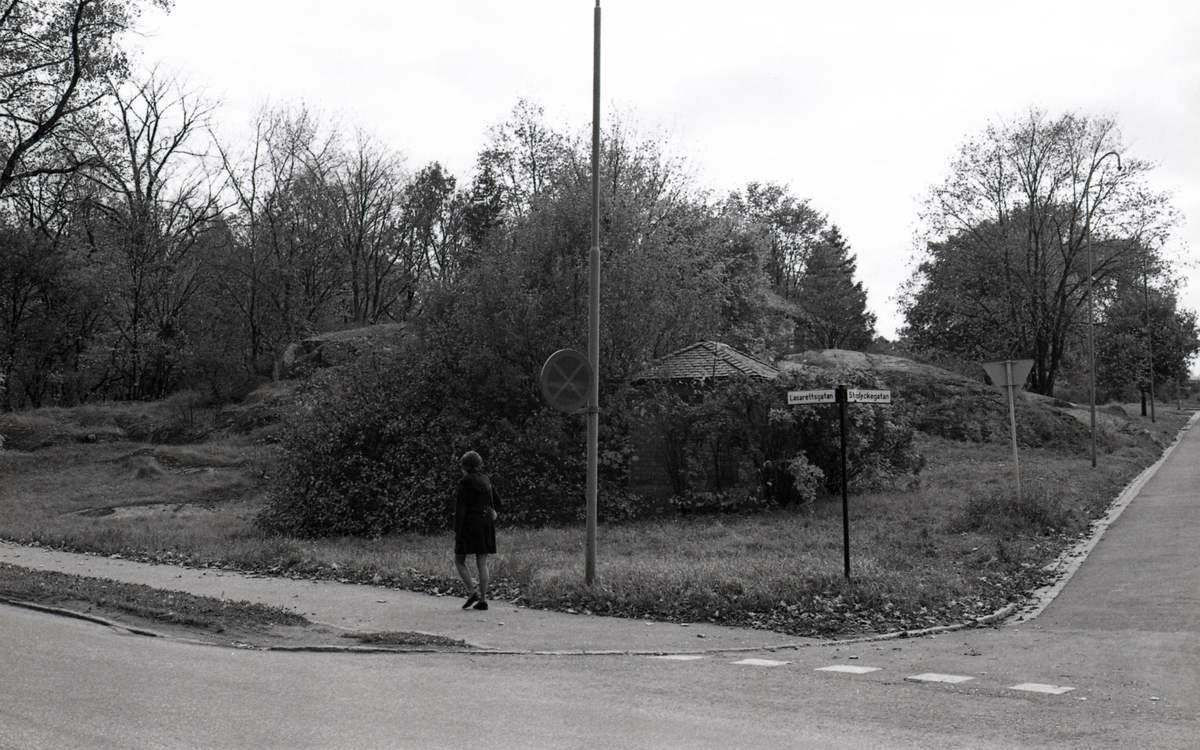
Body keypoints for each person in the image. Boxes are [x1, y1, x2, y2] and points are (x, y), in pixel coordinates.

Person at [453, 450, 502, 611]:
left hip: (469, 524)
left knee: (459, 560)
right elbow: (498, 501)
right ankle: (483, 599)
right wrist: (491, 510)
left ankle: (471, 591)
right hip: (486, 522)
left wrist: (458, 532)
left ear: (465, 466)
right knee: (482, 562)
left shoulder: (464, 482)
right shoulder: (486, 479)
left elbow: (461, 509)